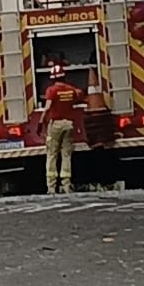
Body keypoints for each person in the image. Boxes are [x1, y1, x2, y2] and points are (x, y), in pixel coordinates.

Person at [38, 65, 84, 194]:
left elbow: (47, 108)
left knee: (52, 154)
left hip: (56, 125)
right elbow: (79, 95)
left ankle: (51, 186)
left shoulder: (51, 91)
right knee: (66, 154)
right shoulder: (71, 90)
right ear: (64, 76)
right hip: (69, 124)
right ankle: (66, 184)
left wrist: (41, 122)